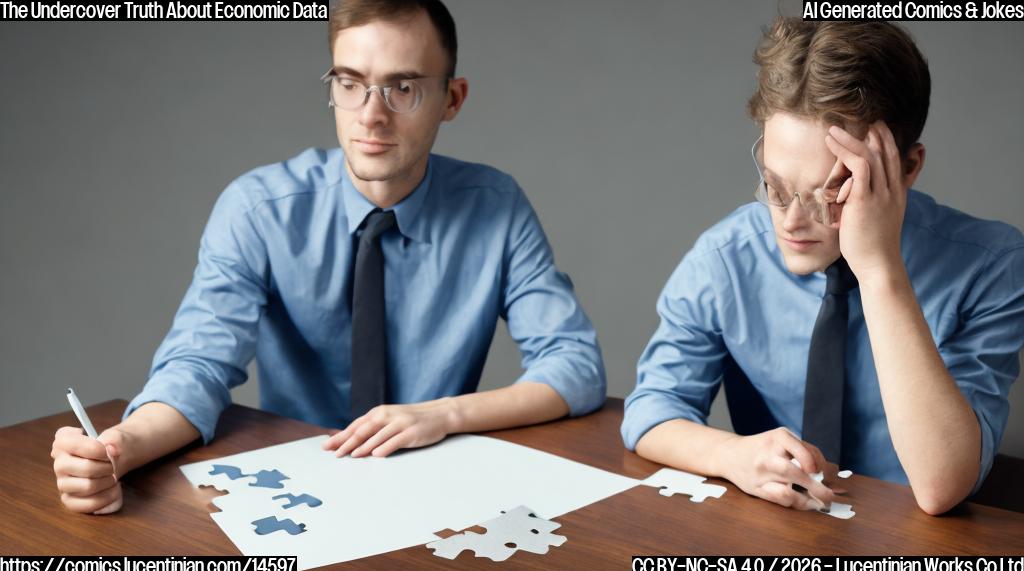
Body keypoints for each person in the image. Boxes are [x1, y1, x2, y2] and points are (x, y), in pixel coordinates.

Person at [50, 0, 606, 515]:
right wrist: (122, 448)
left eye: (403, 87)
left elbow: (575, 367)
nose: (371, 116)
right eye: (350, 83)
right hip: (297, 490)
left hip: (438, 493)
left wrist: (444, 414)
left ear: (452, 99)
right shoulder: (258, 210)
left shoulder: (495, 206)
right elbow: (198, 366)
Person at [622, 18, 1024, 516]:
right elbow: (650, 410)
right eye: (774, 184)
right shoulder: (727, 258)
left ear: (908, 168)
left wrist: (879, 270)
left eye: (831, 190)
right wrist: (734, 455)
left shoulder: (990, 266)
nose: (792, 220)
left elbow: (943, 485)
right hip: (779, 534)